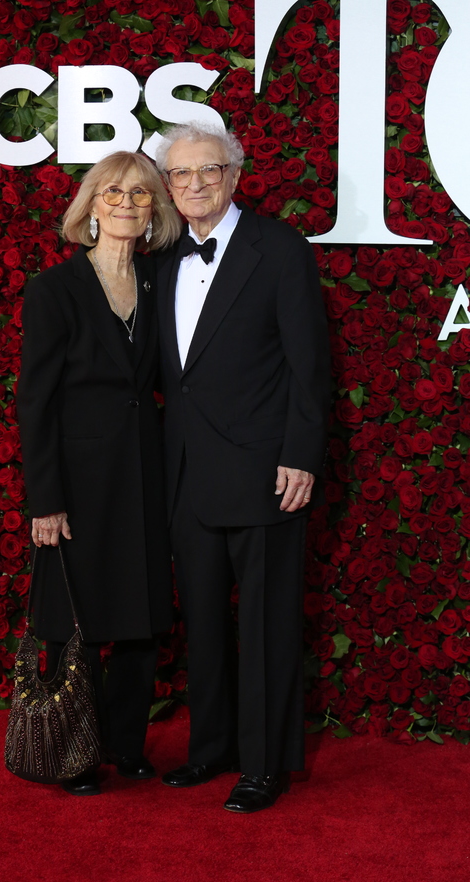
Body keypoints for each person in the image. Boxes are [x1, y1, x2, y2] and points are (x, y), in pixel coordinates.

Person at [154, 123, 331, 813]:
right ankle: (213, 749)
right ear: (169, 185)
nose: (194, 184)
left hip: (265, 472)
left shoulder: (279, 249)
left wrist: (300, 455)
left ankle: (264, 765)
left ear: (234, 174)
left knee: (265, 625)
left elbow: (309, 366)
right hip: (188, 476)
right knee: (202, 622)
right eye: (180, 174)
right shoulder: (164, 253)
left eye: (207, 171)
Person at [16, 151, 182, 796]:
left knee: (140, 616)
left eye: (141, 195)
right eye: (112, 192)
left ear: (153, 213)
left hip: (144, 471)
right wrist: (45, 500)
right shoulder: (54, 289)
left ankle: (126, 746)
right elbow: (35, 400)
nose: (126, 204)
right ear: (90, 205)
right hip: (78, 485)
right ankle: (70, 750)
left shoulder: (157, 281)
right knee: (72, 620)